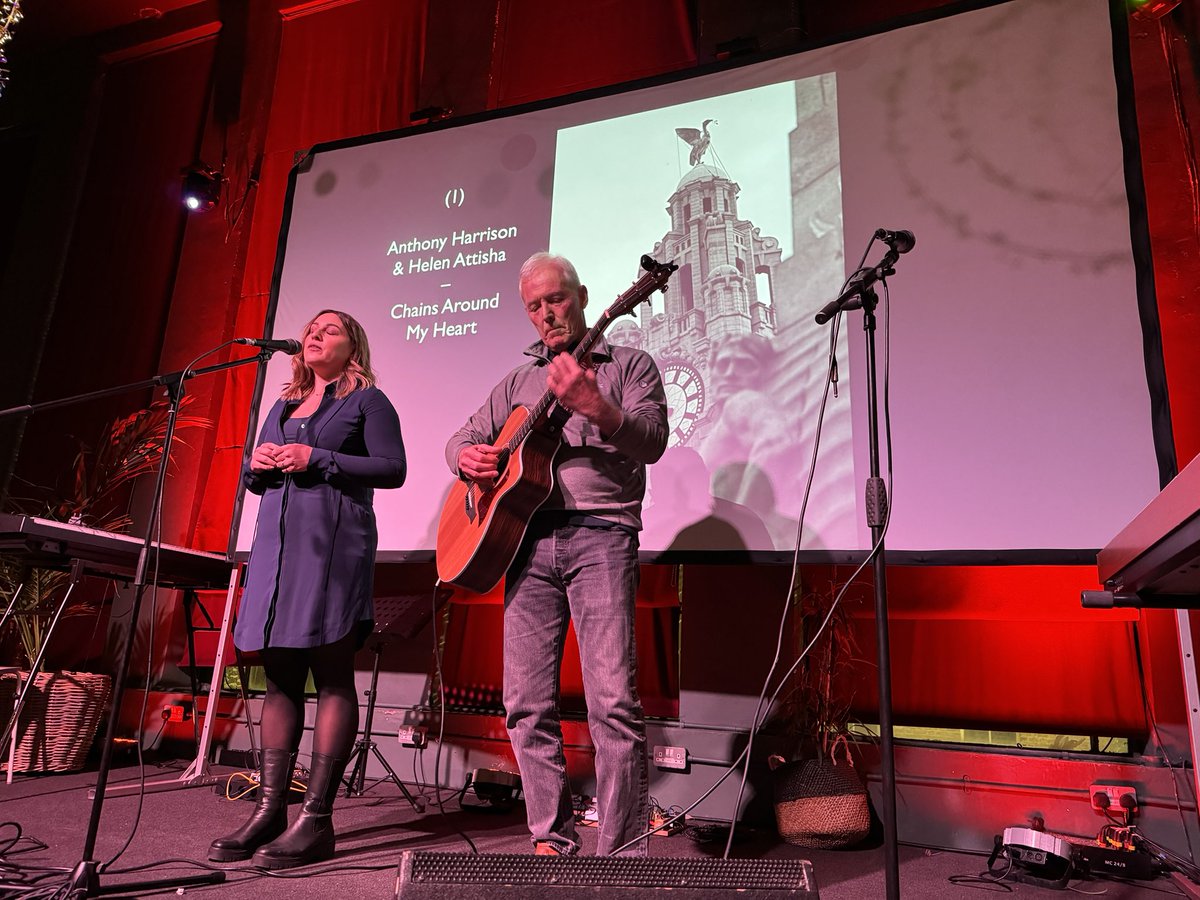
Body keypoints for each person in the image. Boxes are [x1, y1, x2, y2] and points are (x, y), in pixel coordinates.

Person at [446, 252, 668, 857]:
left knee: (612, 702)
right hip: (523, 539)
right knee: (525, 704)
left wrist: (596, 405)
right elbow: (460, 440)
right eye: (534, 306)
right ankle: (551, 838)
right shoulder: (516, 384)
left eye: (557, 299)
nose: (547, 314)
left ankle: (620, 854)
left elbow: (651, 442)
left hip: (602, 534)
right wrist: (468, 459)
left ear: (584, 295)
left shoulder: (632, 365)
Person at [210, 310, 406, 869]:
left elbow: (393, 469)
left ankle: (316, 820)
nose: (314, 334)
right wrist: (261, 463)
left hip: (334, 548)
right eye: (311, 329)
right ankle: (270, 808)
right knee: (280, 676)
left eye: (330, 329)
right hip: (276, 551)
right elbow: (256, 480)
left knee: (332, 673)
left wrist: (315, 456)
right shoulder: (282, 404)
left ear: (353, 346)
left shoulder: (370, 401)